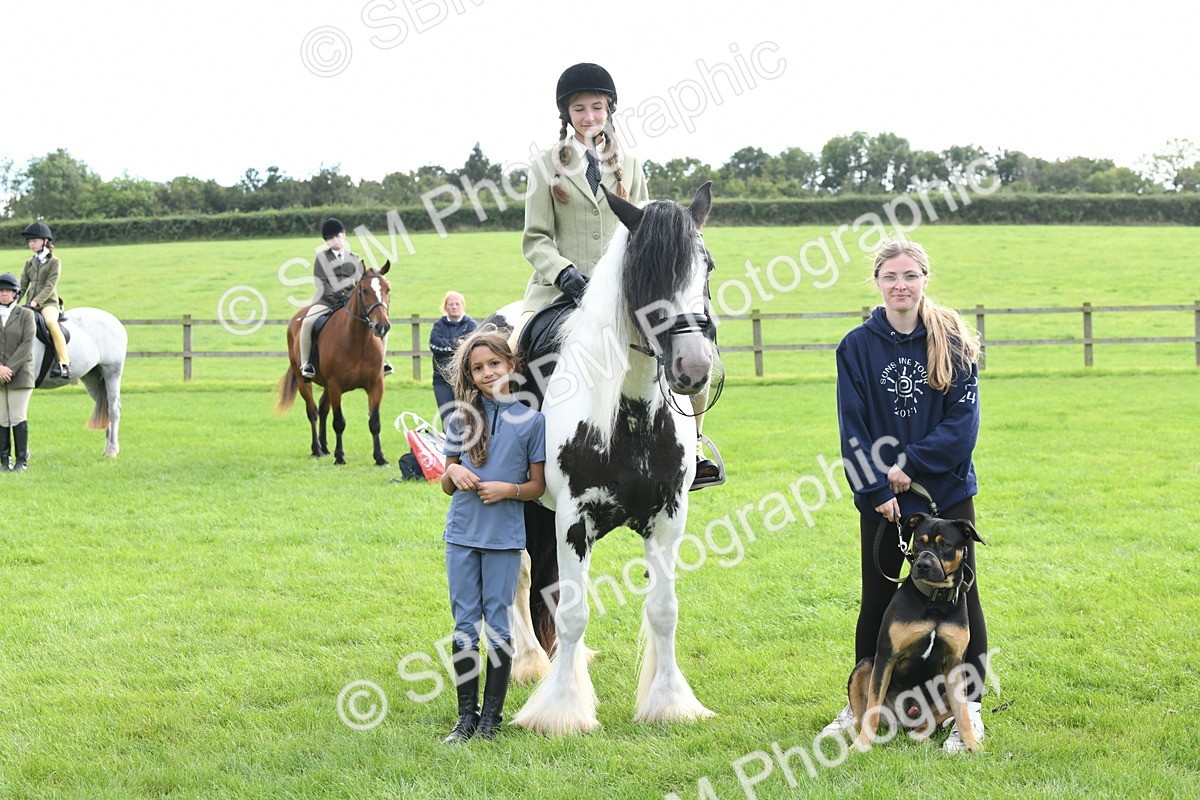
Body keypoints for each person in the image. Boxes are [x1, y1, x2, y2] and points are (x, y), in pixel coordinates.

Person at [520, 62, 721, 488]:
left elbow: (646, 232)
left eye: (596, 107)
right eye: (579, 109)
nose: (589, 116)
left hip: (624, 294)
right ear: (566, 115)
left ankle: (696, 446)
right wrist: (565, 274)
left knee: (687, 343)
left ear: (609, 109)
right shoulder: (543, 166)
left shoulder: (629, 162)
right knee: (518, 355)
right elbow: (535, 239)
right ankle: (523, 454)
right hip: (561, 294)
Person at [829, 238, 989, 753]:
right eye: (890, 277)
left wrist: (909, 465)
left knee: (964, 595)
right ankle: (859, 709)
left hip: (946, 491)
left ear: (925, 279)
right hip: (885, 500)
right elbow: (852, 428)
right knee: (878, 598)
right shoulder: (856, 346)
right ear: (877, 282)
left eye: (910, 276)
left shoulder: (955, 339)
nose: (901, 286)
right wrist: (877, 487)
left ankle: (969, 709)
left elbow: (963, 427)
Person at [439, 327, 546, 743]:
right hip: (461, 535)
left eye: (494, 364)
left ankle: (491, 722)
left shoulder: (533, 421)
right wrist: (453, 470)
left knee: (498, 628)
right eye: (478, 368)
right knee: (465, 627)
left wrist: (509, 490)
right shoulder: (461, 418)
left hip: (504, 538)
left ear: (511, 366)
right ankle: (466, 718)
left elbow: (537, 487)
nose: (486, 373)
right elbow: (447, 483)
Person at [297, 218, 392, 380]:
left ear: (344, 236)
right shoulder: (321, 258)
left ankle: (381, 361)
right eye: (331, 238)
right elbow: (321, 283)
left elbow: (361, 283)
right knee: (307, 322)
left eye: (338, 236)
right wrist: (337, 296)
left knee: (380, 322)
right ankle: (306, 363)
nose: (335, 240)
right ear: (326, 241)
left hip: (349, 302)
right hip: (325, 301)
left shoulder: (355, 258)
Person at [19, 222, 70, 379]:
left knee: (50, 323)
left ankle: (64, 363)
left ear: (45, 241)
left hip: (48, 304)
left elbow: (50, 286)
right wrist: (9, 303)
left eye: (34, 240)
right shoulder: (29, 263)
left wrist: (36, 302)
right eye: (29, 241)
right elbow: (22, 286)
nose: (31, 244)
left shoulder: (55, 262)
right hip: (30, 305)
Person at [0, 273, 37, 472]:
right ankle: (4, 462)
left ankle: (21, 461)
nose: (4, 294)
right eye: (1, 291)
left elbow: (27, 344)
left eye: (8, 291)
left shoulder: (26, 315)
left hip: (21, 374)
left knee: (17, 416)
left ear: (15, 294)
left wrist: (9, 368)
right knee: (1, 418)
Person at [429, 291, 477, 428]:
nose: (454, 307)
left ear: (463, 305)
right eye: (451, 304)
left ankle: (466, 449)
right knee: (446, 418)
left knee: (465, 418)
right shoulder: (439, 325)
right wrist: (457, 344)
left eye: (457, 303)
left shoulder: (471, 325)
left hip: (464, 379)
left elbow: (470, 348)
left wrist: (446, 344)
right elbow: (434, 345)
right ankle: (449, 448)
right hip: (441, 380)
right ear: (445, 307)